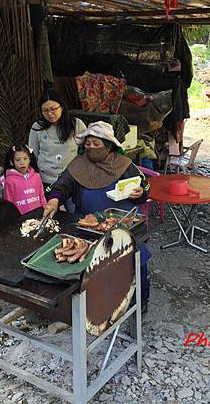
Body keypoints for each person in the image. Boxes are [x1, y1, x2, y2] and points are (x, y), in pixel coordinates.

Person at [42, 121, 152, 312]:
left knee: (136, 263)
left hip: (123, 224)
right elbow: (61, 185)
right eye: (88, 143)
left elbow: (145, 186)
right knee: (91, 268)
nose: (91, 147)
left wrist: (140, 192)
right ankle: (97, 305)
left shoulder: (125, 165)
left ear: (108, 145)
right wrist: (53, 200)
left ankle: (140, 301)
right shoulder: (77, 165)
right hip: (88, 227)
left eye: (96, 143)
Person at [28, 84, 86, 191]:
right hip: (45, 180)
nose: (49, 114)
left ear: (62, 107)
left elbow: (85, 150)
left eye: (53, 109)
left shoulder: (76, 124)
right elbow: (33, 153)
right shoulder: (37, 127)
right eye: (45, 110)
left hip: (71, 179)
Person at [4, 145, 47, 215]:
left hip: (38, 215)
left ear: (30, 159)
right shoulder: (10, 180)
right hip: (20, 217)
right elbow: (9, 202)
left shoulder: (36, 176)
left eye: (25, 158)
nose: (22, 162)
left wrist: (45, 208)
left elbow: (41, 195)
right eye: (18, 160)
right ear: (11, 162)